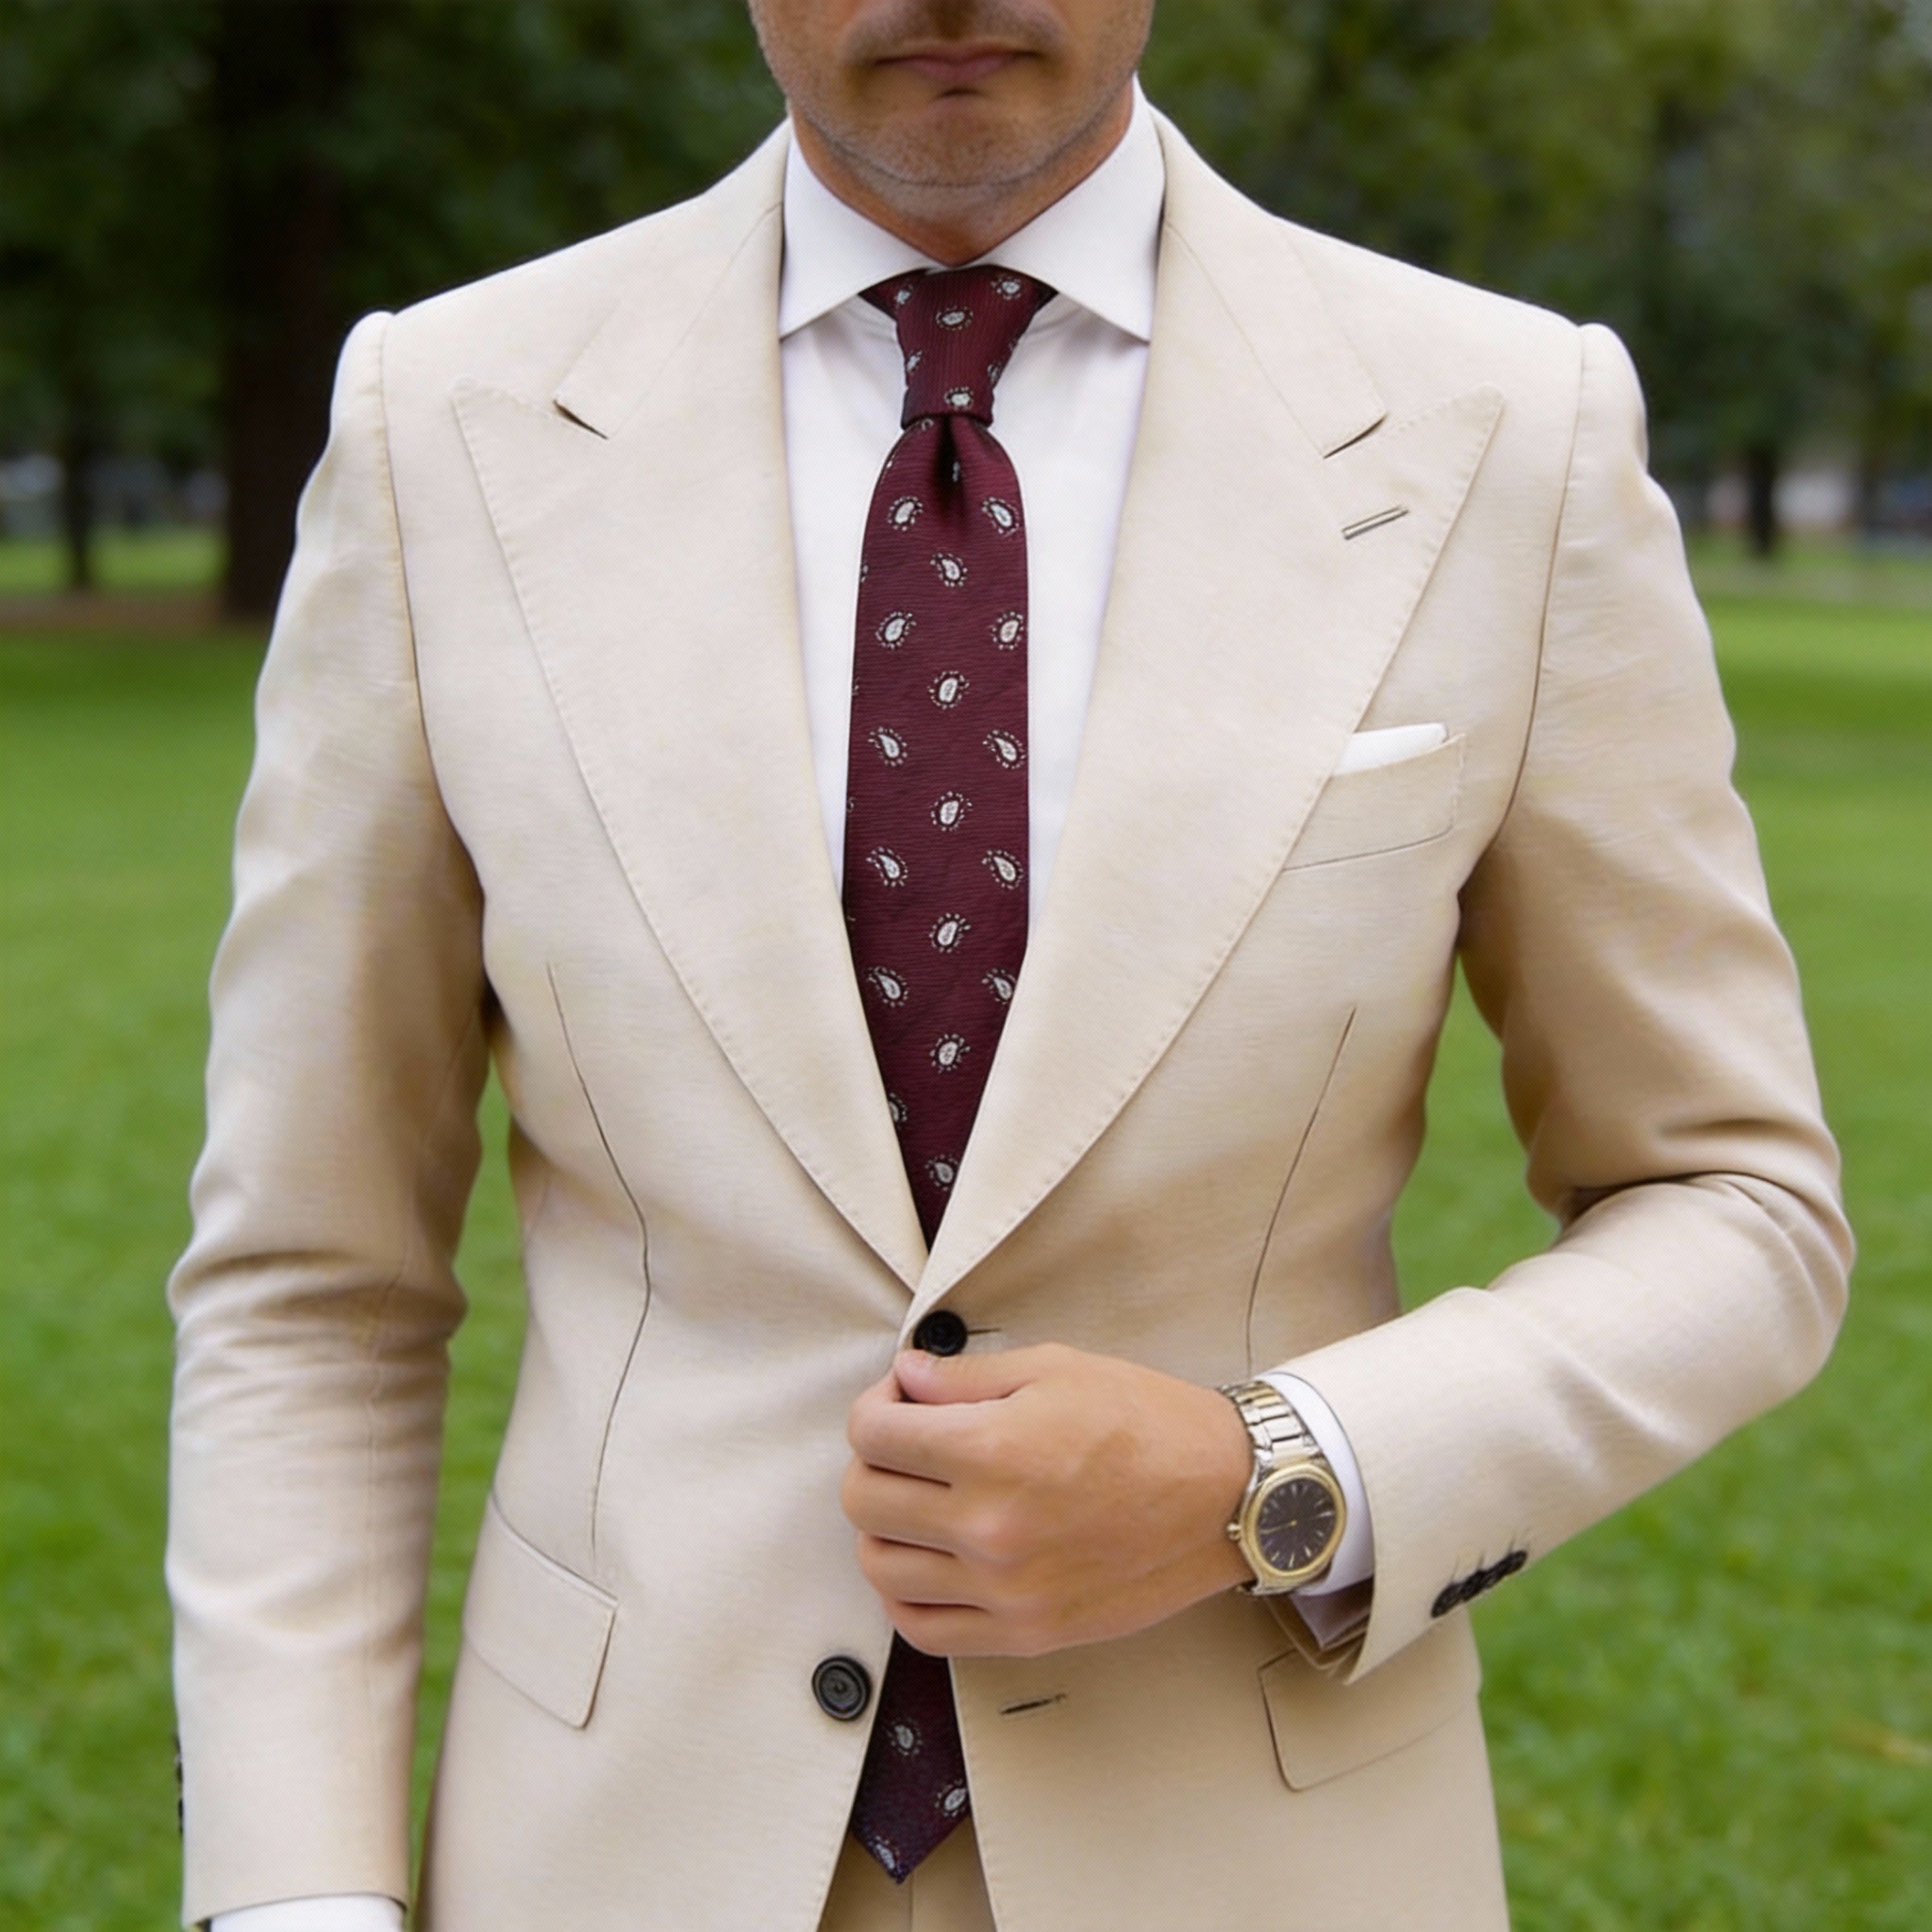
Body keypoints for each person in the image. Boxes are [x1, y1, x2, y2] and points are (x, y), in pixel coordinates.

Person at [163, 3, 1852, 1928]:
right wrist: (294, 1902)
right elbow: (310, 1282)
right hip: (614, 1852)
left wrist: (1265, 1475)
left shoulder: (1508, 428)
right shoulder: (442, 422)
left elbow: (1734, 1203)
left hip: (1258, 1863)